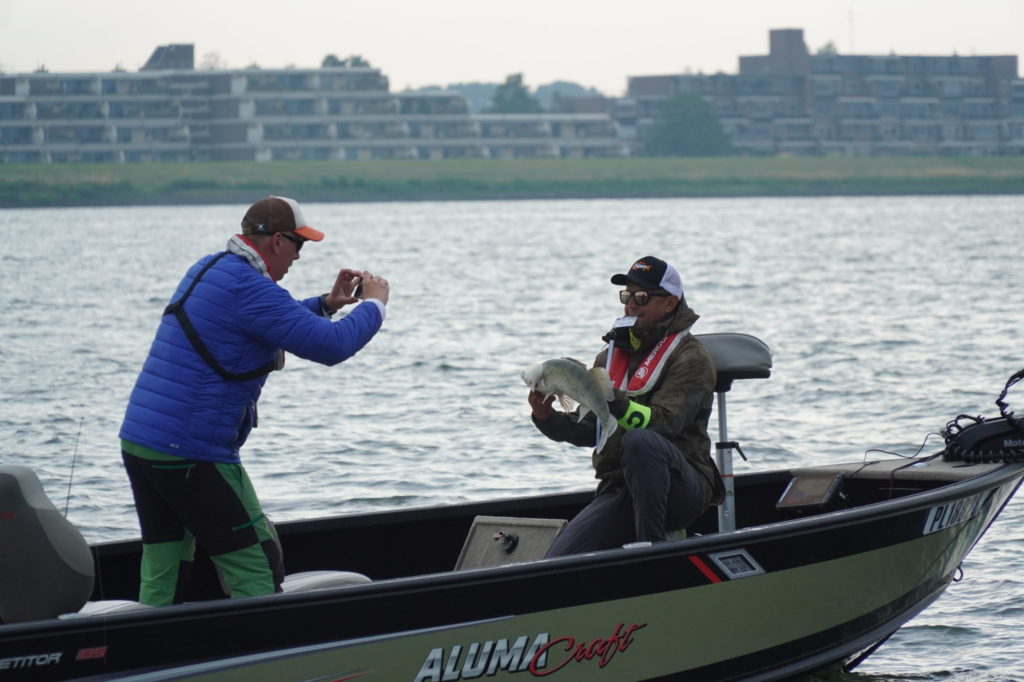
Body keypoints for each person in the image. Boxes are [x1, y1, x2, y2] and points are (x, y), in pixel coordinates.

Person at [119, 196, 390, 606]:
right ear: (278, 241)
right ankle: (266, 654)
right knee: (256, 564)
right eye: (299, 245)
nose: (300, 256)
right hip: (193, 452)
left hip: (143, 442)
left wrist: (324, 305)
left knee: (166, 563)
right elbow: (332, 347)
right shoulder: (250, 287)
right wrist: (374, 304)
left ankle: (143, 656)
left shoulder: (212, 268)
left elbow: (265, 322)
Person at [528, 255, 724, 556]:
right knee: (558, 561)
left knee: (640, 441)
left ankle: (650, 550)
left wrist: (613, 397)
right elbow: (590, 431)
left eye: (642, 296)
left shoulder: (691, 358)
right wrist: (546, 417)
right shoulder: (608, 357)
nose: (631, 304)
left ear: (670, 303)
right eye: (627, 295)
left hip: (683, 487)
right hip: (622, 488)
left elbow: (663, 424)